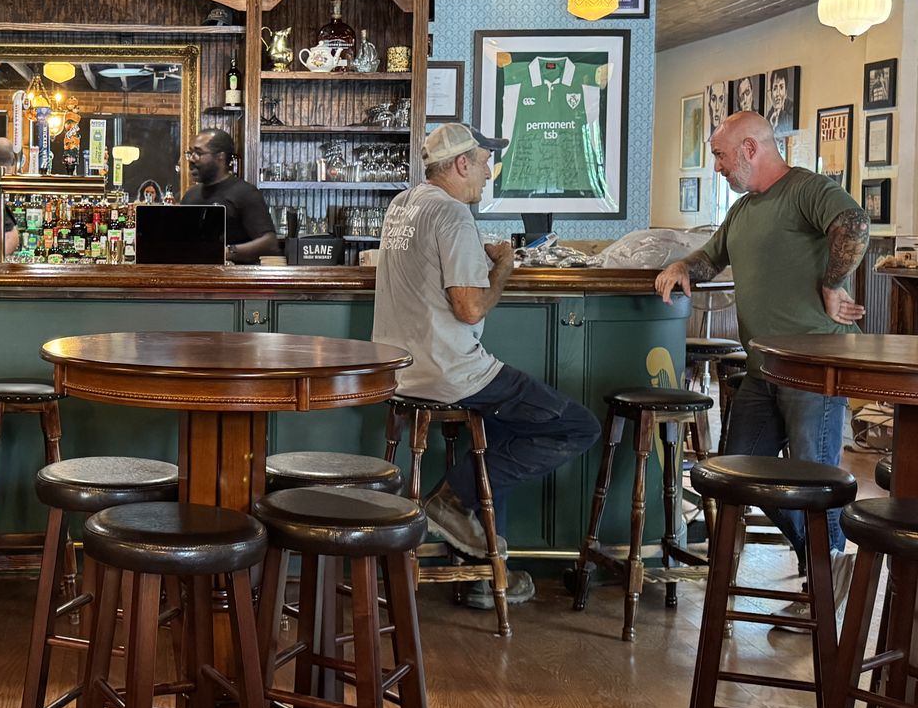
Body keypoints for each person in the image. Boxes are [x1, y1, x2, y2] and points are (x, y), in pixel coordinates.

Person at [373, 123, 602, 609]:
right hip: (449, 371)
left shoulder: (403, 205)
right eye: (482, 162)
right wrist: (503, 266)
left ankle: (478, 570)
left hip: (398, 371)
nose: (488, 172)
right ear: (460, 165)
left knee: (500, 436)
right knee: (577, 426)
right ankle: (451, 502)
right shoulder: (454, 215)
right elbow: (470, 309)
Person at [655, 110, 870, 609]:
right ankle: (831, 567)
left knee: (813, 482)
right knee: (739, 477)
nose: (717, 167)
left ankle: (826, 577)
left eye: (720, 156)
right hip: (762, 367)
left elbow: (853, 221)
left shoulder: (805, 189)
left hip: (814, 364)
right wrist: (682, 265)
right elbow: (710, 257)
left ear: (751, 149)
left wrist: (833, 282)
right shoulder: (744, 210)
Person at [180, 129, 279, 263]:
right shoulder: (190, 195)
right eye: (190, 153)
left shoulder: (245, 193)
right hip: (193, 277)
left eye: (198, 153)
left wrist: (227, 252)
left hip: (234, 279)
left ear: (220, 156)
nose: (191, 159)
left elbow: (270, 244)